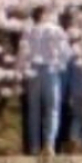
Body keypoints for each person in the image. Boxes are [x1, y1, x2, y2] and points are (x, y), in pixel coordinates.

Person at [20, 18, 72, 156]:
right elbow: (66, 54)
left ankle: (34, 146)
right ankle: (49, 143)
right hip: (51, 70)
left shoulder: (29, 30)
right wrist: (60, 67)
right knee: (52, 109)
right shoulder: (57, 30)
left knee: (33, 110)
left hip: (33, 71)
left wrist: (22, 71)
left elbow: (22, 53)